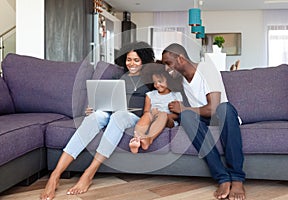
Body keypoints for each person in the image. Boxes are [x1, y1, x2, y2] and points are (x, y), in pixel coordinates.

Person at [40, 41, 155, 200]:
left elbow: (157, 101)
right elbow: (106, 97)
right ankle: (55, 175)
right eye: (129, 59)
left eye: (136, 60)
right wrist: (94, 107)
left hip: (130, 116)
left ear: (144, 60)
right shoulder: (119, 76)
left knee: (118, 116)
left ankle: (89, 172)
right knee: (95, 117)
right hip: (111, 110)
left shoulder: (150, 80)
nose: (132, 64)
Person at [161, 43, 246, 200]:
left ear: (180, 58)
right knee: (185, 117)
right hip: (202, 118)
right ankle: (223, 177)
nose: (166, 68)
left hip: (222, 116)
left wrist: (185, 108)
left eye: (168, 63)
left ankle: (237, 178)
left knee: (224, 108)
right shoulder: (180, 80)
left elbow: (213, 108)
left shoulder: (206, 69)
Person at [129, 63, 183, 153]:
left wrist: (166, 115)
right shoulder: (150, 95)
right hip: (152, 117)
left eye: (160, 81)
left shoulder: (176, 95)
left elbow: (177, 115)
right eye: (154, 82)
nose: (157, 85)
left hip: (168, 120)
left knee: (162, 115)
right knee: (147, 115)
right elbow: (146, 112)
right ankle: (137, 139)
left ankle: (149, 139)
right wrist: (152, 114)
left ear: (168, 80)